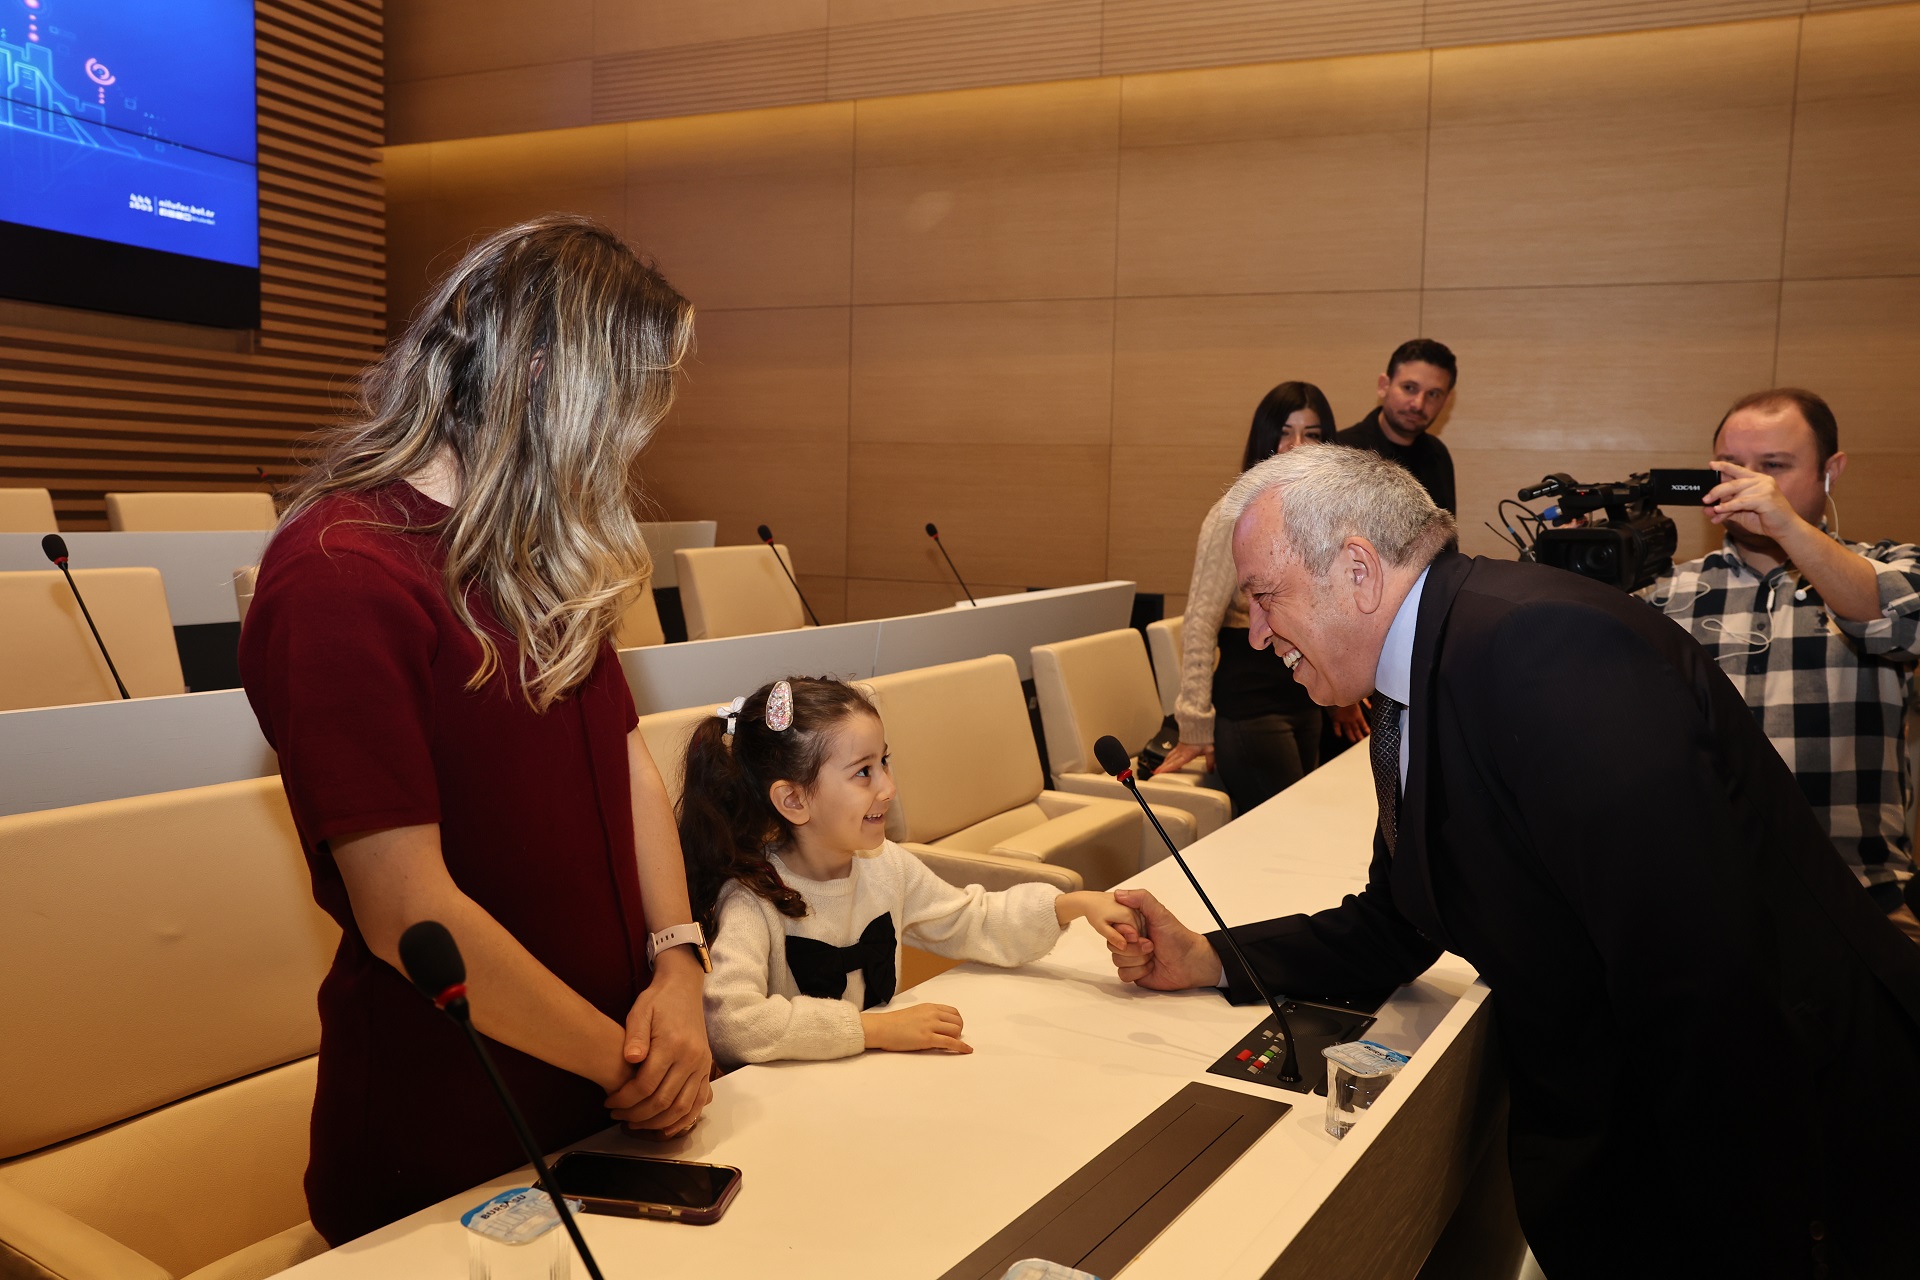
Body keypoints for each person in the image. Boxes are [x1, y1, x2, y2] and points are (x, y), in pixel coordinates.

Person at [1103, 445, 1920, 1278]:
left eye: (1263, 596)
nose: (1257, 632)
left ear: (1357, 571)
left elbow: (1696, 974)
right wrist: (1208, 956)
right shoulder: (1427, 672)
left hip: (1790, 1151)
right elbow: (1398, 918)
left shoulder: (1542, 647)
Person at [240, 216, 715, 1245]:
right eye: (620, 400)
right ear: (536, 376)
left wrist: (679, 964)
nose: (630, 437)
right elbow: (408, 910)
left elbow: (627, 764)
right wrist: (631, 1061)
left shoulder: (539, 555)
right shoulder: (338, 570)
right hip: (449, 1127)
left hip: (607, 1094)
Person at [679, 676, 1140, 1064]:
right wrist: (874, 1030)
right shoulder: (752, 897)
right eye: (863, 772)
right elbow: (732, 1023)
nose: (889, 787)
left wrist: (1072, 905)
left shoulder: (886, 866)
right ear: (794, 800)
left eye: (884, 762)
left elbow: (972, 920)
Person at [1640, 388, 1919, 941]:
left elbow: (1901, 623)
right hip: (1700, 902)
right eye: (1732, 466)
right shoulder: (1663, 590)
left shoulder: (1888, 566)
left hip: (1861, 898)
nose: (1751, 485)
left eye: (1774, 466)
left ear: (1829, 472)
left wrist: (1786, 524)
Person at [1152, 382, 1367, 815]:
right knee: (1290, 828)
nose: (1297, 445)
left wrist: (1340, 697)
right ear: (1263, 439)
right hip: (1250, 704)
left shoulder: (1327, 516)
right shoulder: (1234, 513)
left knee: (1310, 824)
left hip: (1304, 701)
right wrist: (1194, 725)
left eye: (1312, 433)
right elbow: (1199, 623)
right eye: (1284, 433)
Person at [1334, 338, 1457, 514]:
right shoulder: (1342, 451)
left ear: (1445, 401)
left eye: (1433, 394)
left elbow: (1446, 530)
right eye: (1409, 388)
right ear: (1384, 386)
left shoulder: (1438, 454)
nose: (1418, 404)